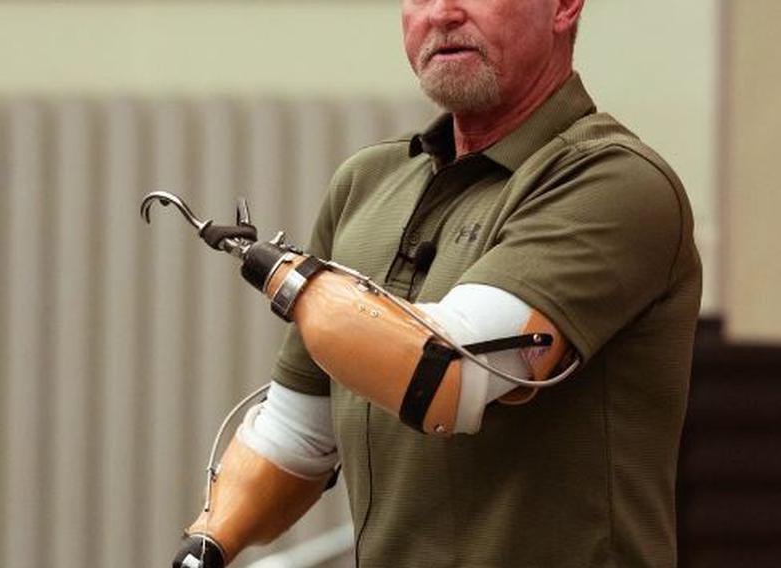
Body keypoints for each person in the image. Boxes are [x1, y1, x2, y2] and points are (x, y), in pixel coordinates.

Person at [172, 0, 702, 566]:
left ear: (565, 7)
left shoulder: (614, 181)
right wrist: (208, 544)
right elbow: (296, 433)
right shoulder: (366, 183)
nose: (443, 12)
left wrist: (285, 275)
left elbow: (449, 373)